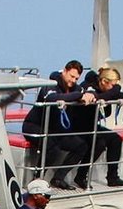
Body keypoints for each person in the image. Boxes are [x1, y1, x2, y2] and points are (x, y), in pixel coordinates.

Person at [20, 60, 98, 191]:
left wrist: (90, 95)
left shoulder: (75, 88)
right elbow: (51, 98)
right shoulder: (51, 84)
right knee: (53, 146)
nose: (73, 80)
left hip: (54, 129)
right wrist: (79, 96)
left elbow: (88, 92)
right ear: (65, 71)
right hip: (34, 126)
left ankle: (58, 178)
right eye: (71, 76)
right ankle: (37, 178)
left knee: (81, 146)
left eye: (76, 78)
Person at [70, 66, 123, 188]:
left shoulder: (107, 89)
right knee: (99, 143)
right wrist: (116, 90)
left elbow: (118, 94)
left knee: (115, 139)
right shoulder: (89, 87)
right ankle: (81, 176)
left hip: (91, 125)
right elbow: (101, 97)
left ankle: (112, 177)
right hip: (78, 126)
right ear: (104, 82)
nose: (114, 88)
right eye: (113, 85)